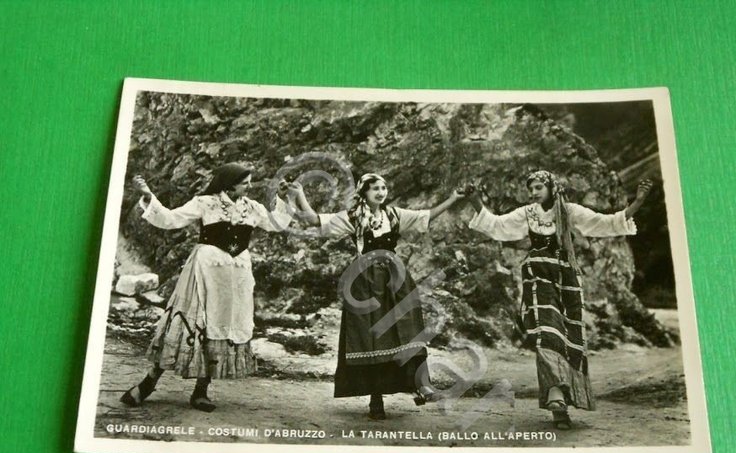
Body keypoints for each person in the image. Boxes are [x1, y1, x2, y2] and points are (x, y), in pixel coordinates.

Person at [465, 170, 651, 429]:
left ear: (552, 187)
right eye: (530, 188)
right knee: (546, 333)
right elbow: (497, 225)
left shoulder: (570, 211)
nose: (533, 193)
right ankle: (555, 398)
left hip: (567, 280)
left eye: (538, 187)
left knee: (571, 338)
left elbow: (606, 222)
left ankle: (564, 400)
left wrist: (638, 201)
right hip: (537, 276)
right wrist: (474, 200)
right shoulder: (527, 214)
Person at [119, 162, 297, 412]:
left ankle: (201, 391)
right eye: (244, 182)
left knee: (220, 327)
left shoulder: (252, 208)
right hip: (204, 272)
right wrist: (149, 196)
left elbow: (276, 224)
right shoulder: (205, 203)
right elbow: (171, 219)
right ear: (229, 183)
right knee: (189, 323)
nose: (249, 186)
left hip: (236, 278)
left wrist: (282, 198)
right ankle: (147, 384)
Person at [291, 173, 463, 420]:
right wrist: (299, 196)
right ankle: (376, 398)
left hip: (395, 276)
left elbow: (425, 216)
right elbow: (313, 220)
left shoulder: (393, 215)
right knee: (372, 336)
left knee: (407, 326)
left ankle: (420, 384)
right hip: (365, 280)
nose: (381, 193)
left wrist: (453, 199)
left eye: (383, 188)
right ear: (364, 192)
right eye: (374, 189)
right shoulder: (353, 217)